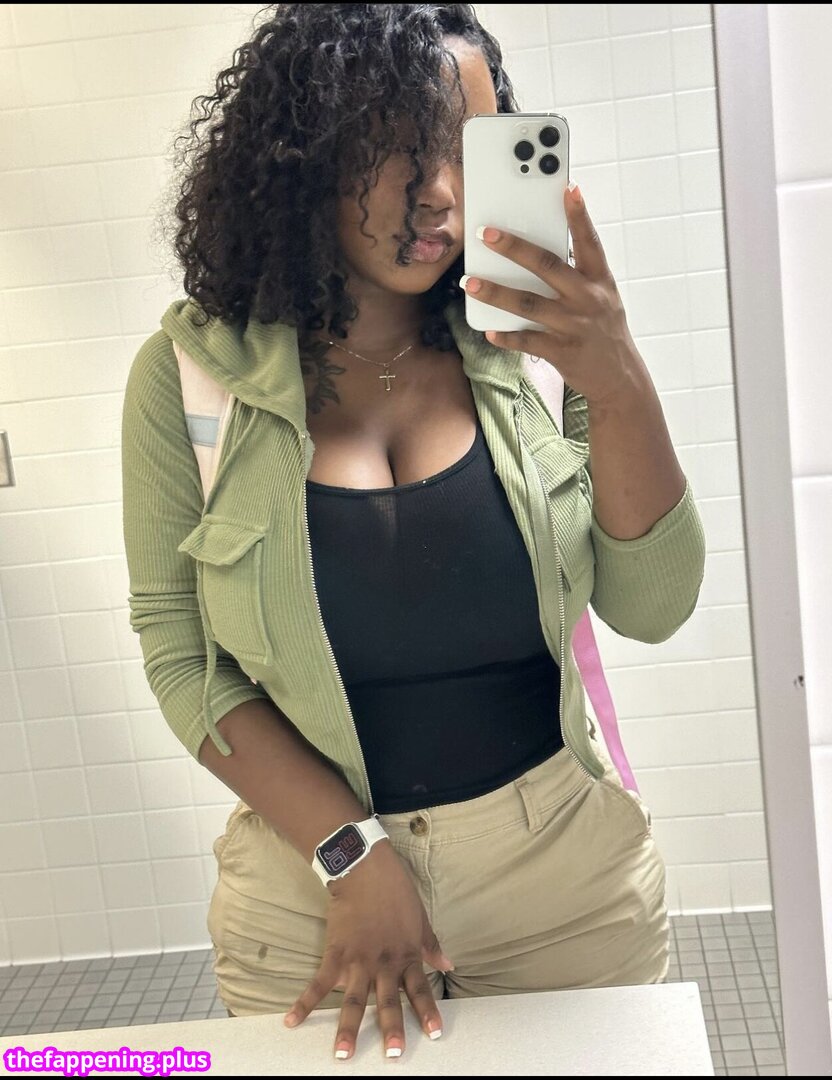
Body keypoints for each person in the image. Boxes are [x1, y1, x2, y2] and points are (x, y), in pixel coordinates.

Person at [122, 2, 706, 1064]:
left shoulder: (540, 354)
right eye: (399, 143)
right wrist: (351, 851)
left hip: (560, 889)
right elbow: (179, 653)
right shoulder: (192, 378)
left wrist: (615, 372)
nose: (441, 190)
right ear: (305, 153)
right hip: (308, 900)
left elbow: (654, 605)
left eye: (468, 150)